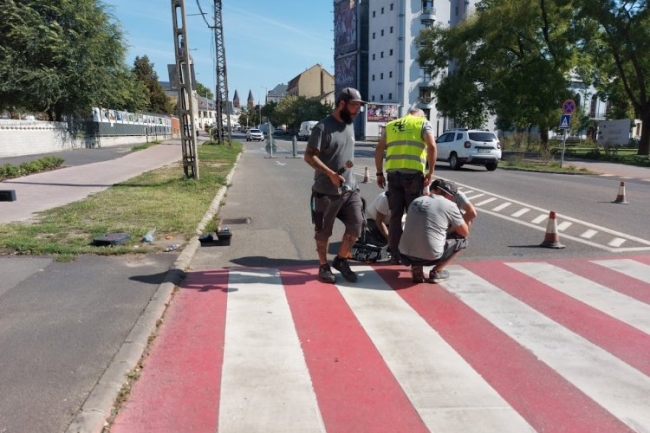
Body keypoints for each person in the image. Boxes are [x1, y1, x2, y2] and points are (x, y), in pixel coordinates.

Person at [304, 87, 365, 284]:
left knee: (357, 226)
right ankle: (323, 265)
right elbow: (309, 156)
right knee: (323, 233)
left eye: (358, 106)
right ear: (342, 104)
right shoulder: (322, 128)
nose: (357, 110)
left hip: (350, 190)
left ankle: (340, 260)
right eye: (354, 106)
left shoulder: (350, 125)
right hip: (326, 193)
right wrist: (330, 174)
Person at [374, 108, 437, 264]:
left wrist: (379, 173)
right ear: (421, 115)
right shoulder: (423, 123)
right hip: (413, 176)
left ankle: (395, 255)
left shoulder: (391, 125)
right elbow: (432, 147)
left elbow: (379, 149)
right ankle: (413, 255)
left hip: (393, 175)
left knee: (395, 217)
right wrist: (430, 172)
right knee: (414, 216)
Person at [399, 180, 469, 283]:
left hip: (404, 253)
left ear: (436, 190)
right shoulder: (450, 205)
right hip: (430, 256)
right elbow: (464, 232)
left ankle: (417, 267)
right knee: (463, 241)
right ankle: (436, 272)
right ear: (451, 197)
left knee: (419, 234)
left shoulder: (417, 200)